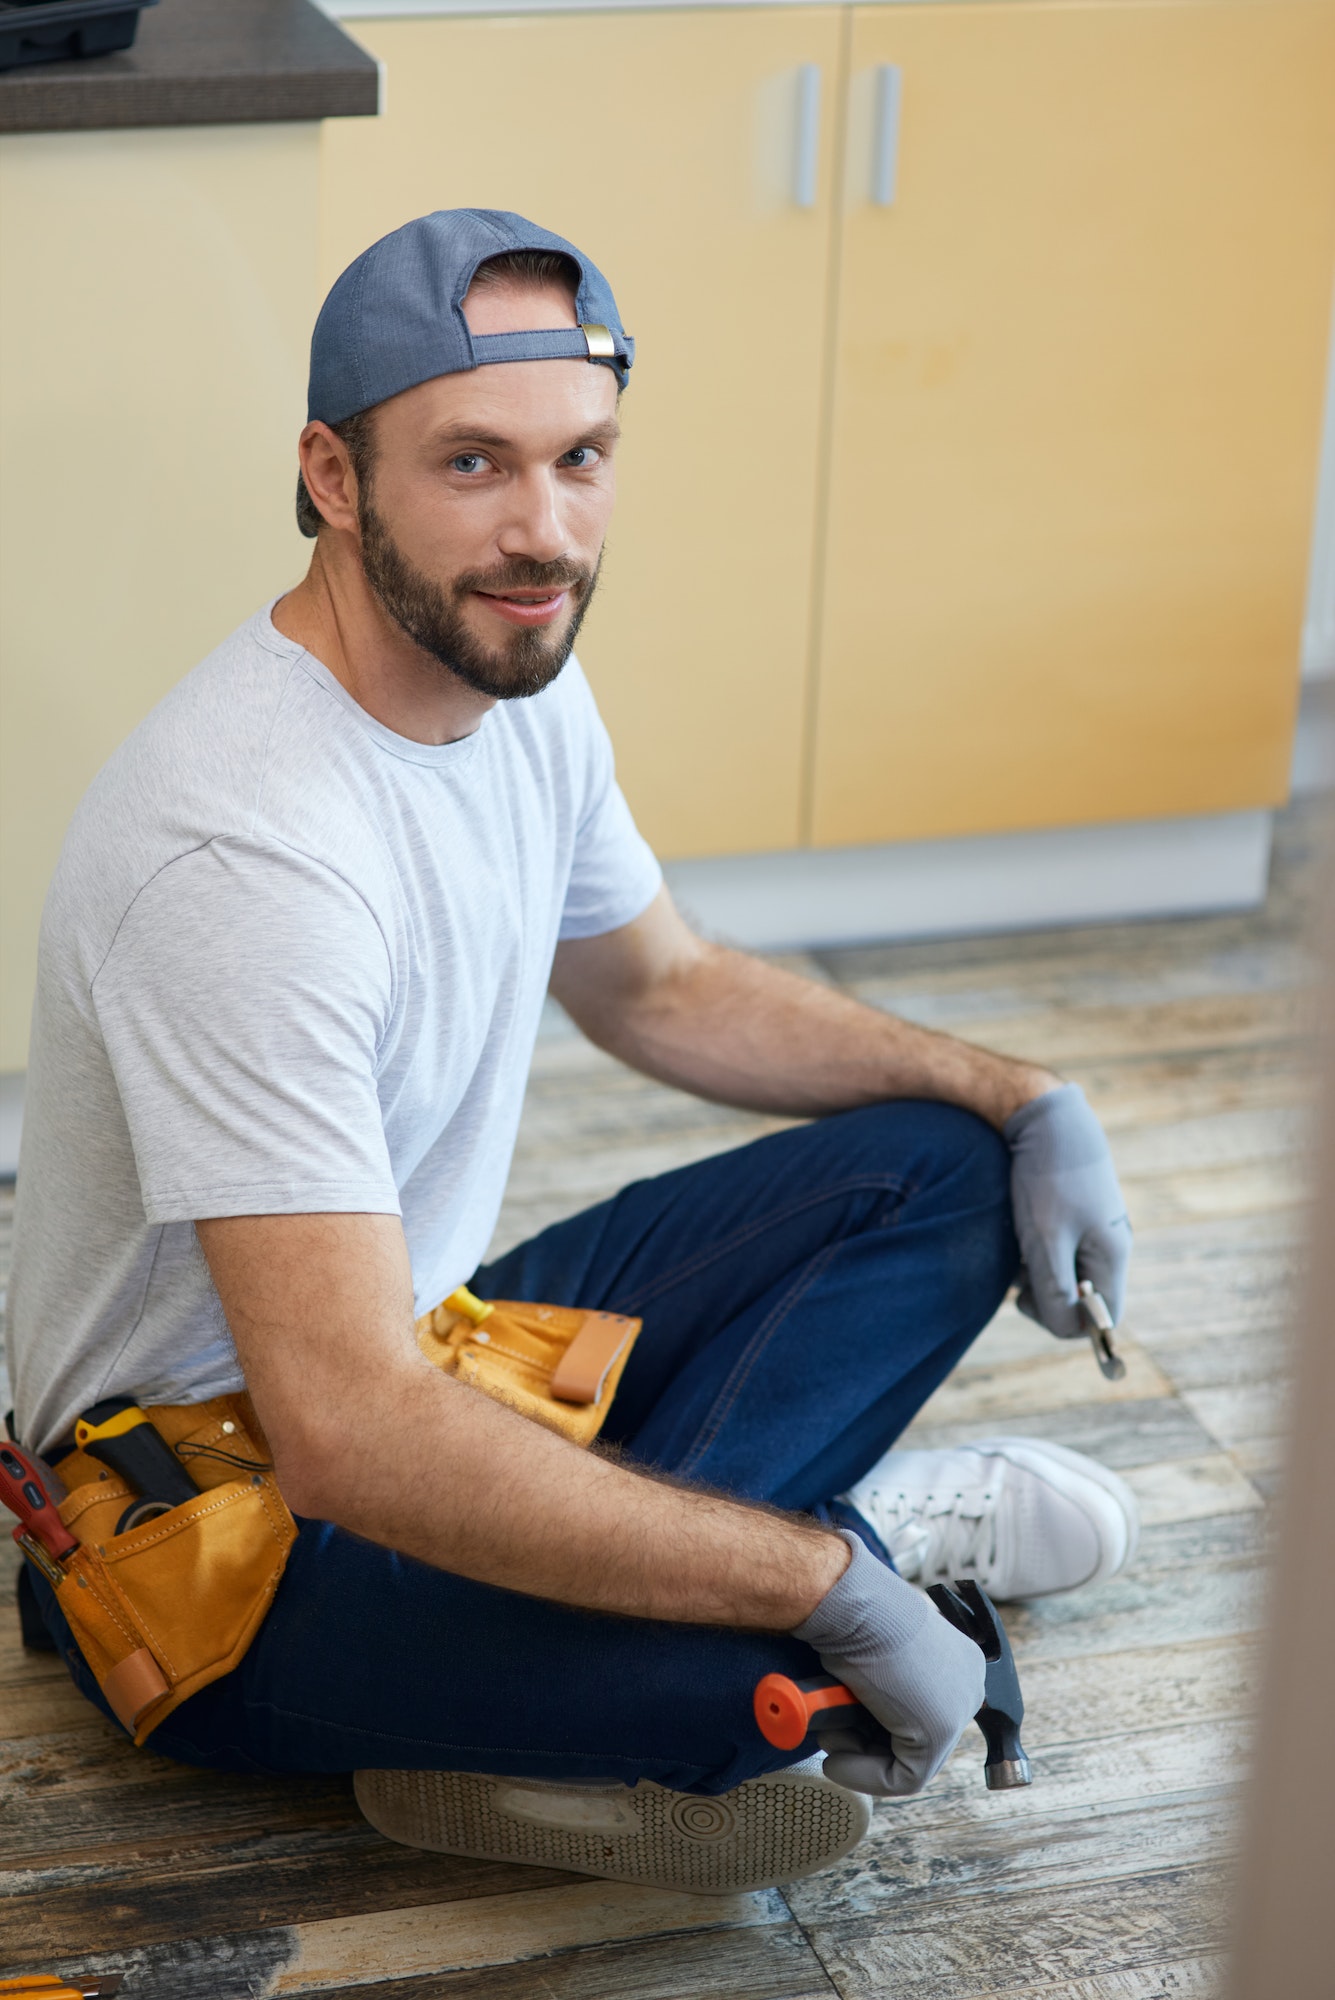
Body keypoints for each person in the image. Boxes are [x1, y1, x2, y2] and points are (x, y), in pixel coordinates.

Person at [6, 210, 1136, 1892]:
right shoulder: (241, 854)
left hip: (442, 1357)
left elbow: (661, 990)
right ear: (333, 474)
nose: (543, 533)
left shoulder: (516, 675)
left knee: (945, 1164)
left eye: (580, 459)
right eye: (473, 463)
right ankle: (838, 1535)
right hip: (207, 1545)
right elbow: (344, 1439)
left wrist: (1023, 1095)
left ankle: (592, 1666)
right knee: (776, 1688)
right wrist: (822, 1584)